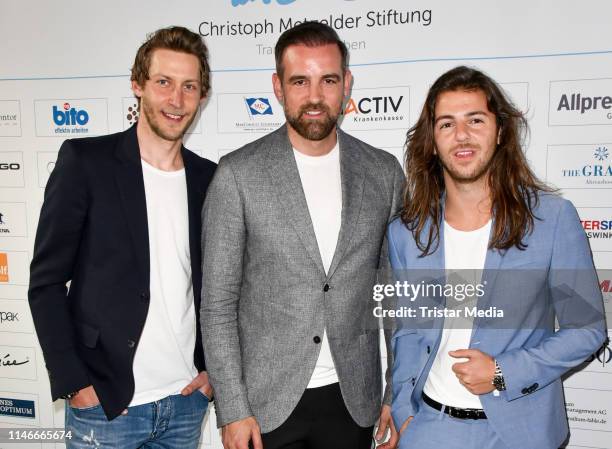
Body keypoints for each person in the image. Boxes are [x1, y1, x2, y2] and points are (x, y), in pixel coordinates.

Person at [201, 21, 404, 449]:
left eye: (328, 80)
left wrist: (395, 393)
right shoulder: (237, 174)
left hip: (354, 401)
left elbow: (395, 295)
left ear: (346, 84)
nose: (314, 96)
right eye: (300, 81)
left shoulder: (383, 172)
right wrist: (234, 408)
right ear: (278, 86)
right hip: (265, 406)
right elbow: (218, 304)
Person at [387, 65, 607, 449]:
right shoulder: (407, 233)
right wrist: (403, 409)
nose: (462, 136)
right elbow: (408, 330)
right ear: (432, 140)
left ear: (500, 130)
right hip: (430, 428)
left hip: (519, 432)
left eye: (475, 120)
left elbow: (587, 329)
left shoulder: (551, 220)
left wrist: (503, 372)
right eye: (446, 124)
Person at [28, 26, 216, 449]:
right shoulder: (86, 163)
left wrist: (212, 377)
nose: (176, 99)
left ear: (202, 95)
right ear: (138, 85)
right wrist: (75, 383)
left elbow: (219, 288)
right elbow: (45, 283)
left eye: (189, 86)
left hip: (186, 403)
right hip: (107, 405)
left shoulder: (209, 178)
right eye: (163, 82)